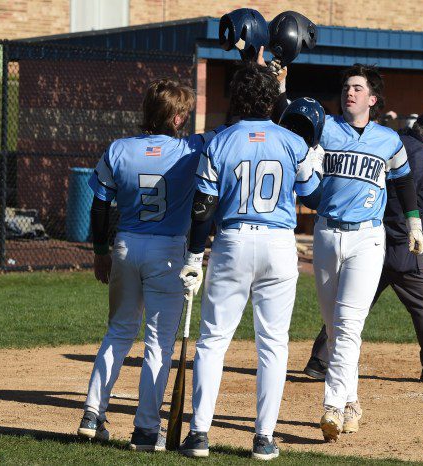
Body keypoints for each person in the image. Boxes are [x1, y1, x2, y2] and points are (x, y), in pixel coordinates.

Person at [177, 61, 322, 460]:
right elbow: (313, 196)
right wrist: (315, 156)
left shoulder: (220, 141)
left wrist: (193, 255)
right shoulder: (292, 141)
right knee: (273, 344)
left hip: (233, 242)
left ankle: (200, 434)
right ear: (273, 100)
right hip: (278, 244)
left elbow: (203, 208)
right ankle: (263, 437)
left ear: (236, 99)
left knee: (213, 341)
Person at [77, 79, 222, 451]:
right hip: (170, 251)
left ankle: (93, 414)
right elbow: (233, 128)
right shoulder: (192, 148)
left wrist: (99, 251)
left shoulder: (119, 149)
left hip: (126, 244)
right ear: (175, 118)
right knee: (158, 342)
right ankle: (144, 430)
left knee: (119, 332)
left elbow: (98, 205)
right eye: (184, 114)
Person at [299, 64, 423, 443]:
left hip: (367, 239)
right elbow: (307, 177)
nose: (349, 92)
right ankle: (352, 402)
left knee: (350, 324)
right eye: (346, 87)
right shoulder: (325, 129)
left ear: (372, 99)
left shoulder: (388, 139)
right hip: (325, 234)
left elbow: (403, 181)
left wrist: (414, 222)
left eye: (357, 88)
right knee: (335, 327)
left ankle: (332, 406)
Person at [304, 112, 423, 391]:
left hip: (373, 239)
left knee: (352, 304)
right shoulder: (421, 153)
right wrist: (404, 232)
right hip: (397, 242)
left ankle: (321, 361)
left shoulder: (398, 143)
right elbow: (396, 195)